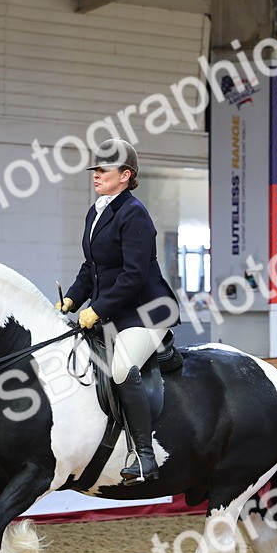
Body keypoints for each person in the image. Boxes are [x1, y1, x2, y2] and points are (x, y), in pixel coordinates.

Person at [56, 139, 180, 483]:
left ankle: (144, 455)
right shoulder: (96, 211)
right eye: (94, 169)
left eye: (103, 170)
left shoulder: (134, 212)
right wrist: (72, 299)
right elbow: (91, 265)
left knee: (123, 367)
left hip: (146, 311)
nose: (95, 175)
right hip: (112, 312)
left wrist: (96, 309)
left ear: (125, 175)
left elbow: (133, 275)